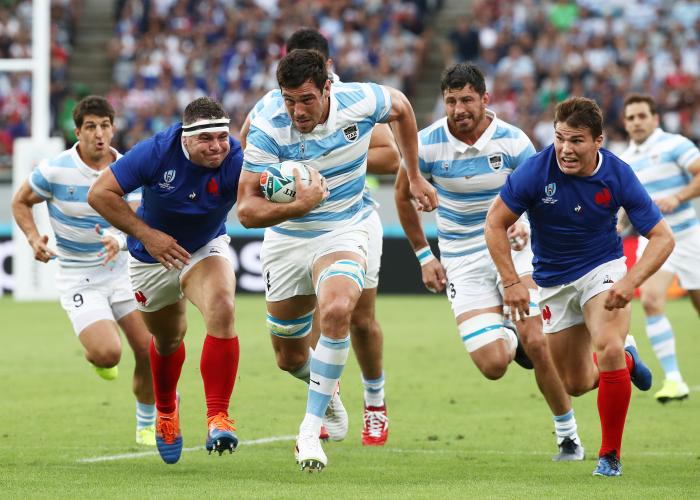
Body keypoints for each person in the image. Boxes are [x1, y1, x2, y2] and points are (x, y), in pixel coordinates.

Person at [237, 48, 437, 472]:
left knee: (340, 307)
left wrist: (414, 173)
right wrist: (299, 202)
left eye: (306, 99)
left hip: (344, 228)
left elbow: (400, 106)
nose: (297, 110)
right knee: (288, 357)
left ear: (329, 87)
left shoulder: (358, 100)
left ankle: (310, 430)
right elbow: (247, 211)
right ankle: (328, 391)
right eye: (289, 100)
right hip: (288, 238)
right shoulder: (268, 121)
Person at [395, 63, 585, 461]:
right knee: (494, 364)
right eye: (450, 101)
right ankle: (511, 340)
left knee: (537, 340)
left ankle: (568, 436)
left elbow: (543, 195)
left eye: (466, 99)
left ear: (485, 99)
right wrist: (424, 256)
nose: (458, 108)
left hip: (516, 249)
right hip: (461, 258)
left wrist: (526, 225)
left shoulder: (514, 142)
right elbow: (402, 196)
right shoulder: (426, 144)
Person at [485, 96, 674, 477]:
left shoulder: (618, 174)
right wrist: (510, 281)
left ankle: (610, 456)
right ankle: (630, 360)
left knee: (607, 350)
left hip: (602, 269)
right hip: (553, 281)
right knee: (575, 382)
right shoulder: (536, 171)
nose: (565, 149)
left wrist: (630, 280)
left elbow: (662, 237)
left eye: (576, 141)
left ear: (598, 141)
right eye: (559, 138)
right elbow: (494, 223)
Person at [87, 97, 243, 465]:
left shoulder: (236, 157)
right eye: (207, 139)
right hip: (150, 258)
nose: (218, 146)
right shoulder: (155, 152)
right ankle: (166, 411)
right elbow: (100, 193)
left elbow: (253, 201)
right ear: (185, 139)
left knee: (222, 306)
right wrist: (149, 236)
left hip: (204, 248)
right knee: (168, 339)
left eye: (222, 136)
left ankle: (218, 417)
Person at [11, 95, 156, 446]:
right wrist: (33, 239)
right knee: (108, 353)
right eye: (90, 126)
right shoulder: (55, 169)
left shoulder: (127, 169)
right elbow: (20, 201)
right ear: (78, 132)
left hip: (123, 272)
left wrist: (119, 238)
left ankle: (148, 421)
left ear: (113, 128)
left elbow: (139, 220)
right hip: (78, 275)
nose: (99, 134)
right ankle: (100, 355)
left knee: (151, 349)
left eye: (105, 125)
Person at [620, 93, 700, 403]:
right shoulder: (624, 160)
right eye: (631, 118)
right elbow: (625, 204)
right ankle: (675, 379)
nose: (637, 122)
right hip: (653, 241)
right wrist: (616, 223)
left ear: (655, 118)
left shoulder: (674, 144)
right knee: (651, 301)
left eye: (642, 116)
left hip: (689, 236)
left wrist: (678, 197)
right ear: (625, 124)